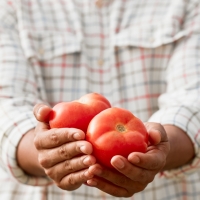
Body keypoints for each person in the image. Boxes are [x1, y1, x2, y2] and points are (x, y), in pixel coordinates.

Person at [0, 0, 200, 199]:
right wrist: (44, 153)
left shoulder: (186, 4)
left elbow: (192, 98)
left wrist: (162, 148)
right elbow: (6, 105)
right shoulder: (13, 6)